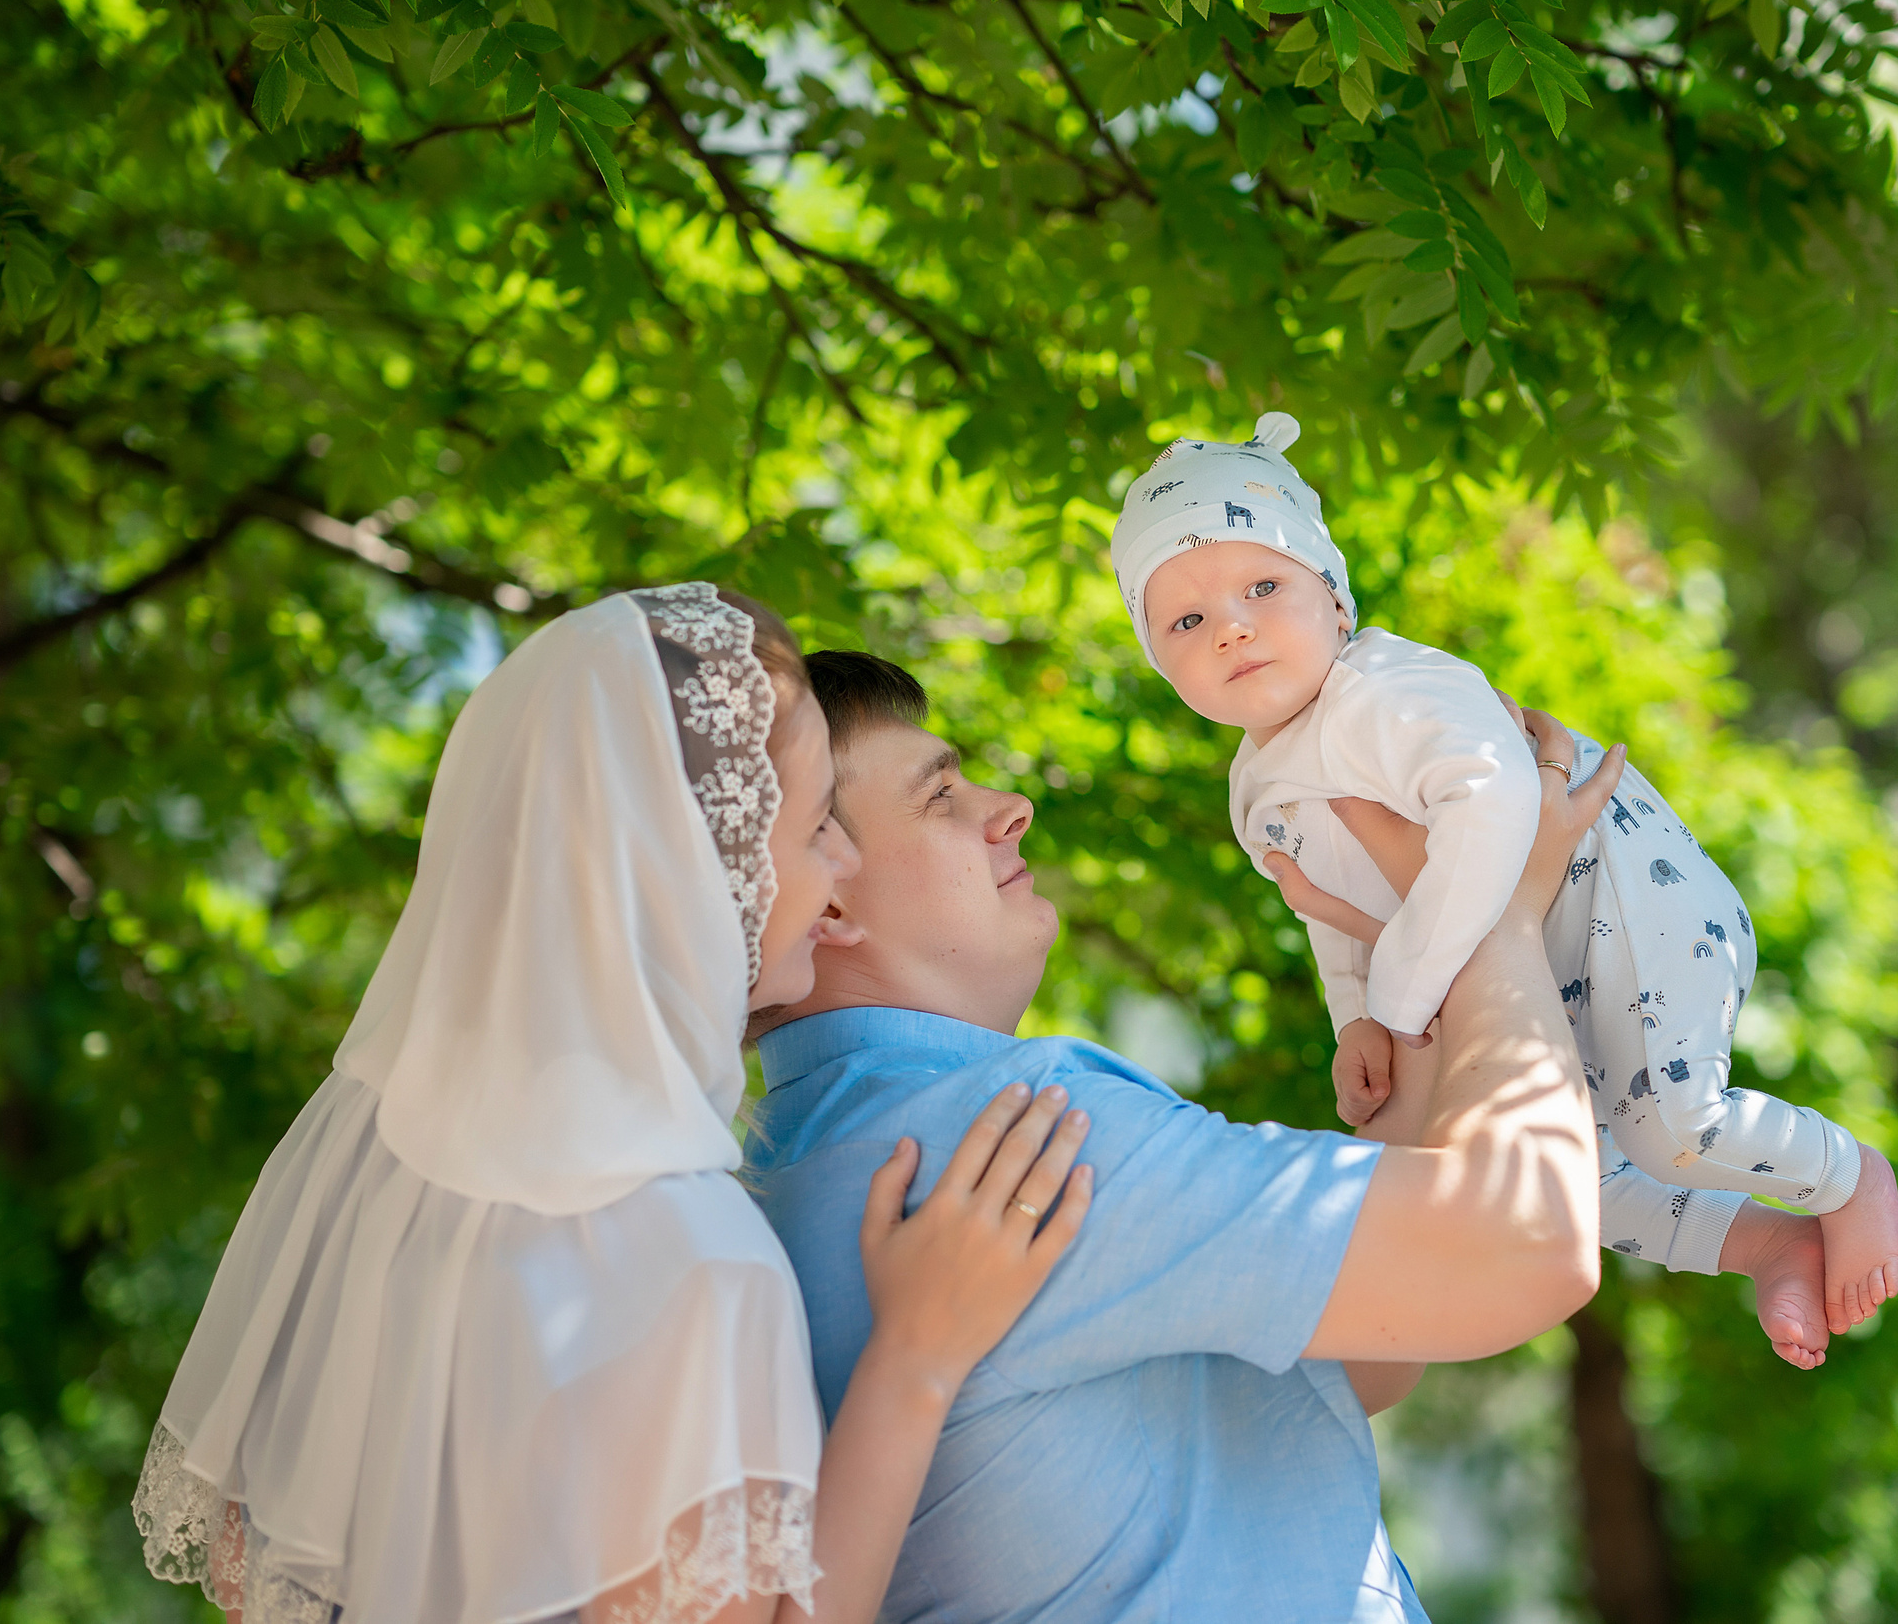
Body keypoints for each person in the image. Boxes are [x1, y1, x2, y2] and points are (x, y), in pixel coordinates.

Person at [745, 648, 1822, 1622]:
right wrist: (1496, 914)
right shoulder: (1018, 1134)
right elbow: (1528, 1244)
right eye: (940, 795)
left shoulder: (793, 1173)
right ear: (826, 896)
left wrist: (1423, 981)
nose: (1011, 806)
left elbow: (1365, 1356)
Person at [131, 583, 1091, 1624]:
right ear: (697, 865)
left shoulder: (373, 1191)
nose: (843, 863)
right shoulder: (688, 1259)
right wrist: (916, 1358)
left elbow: (264, 1582)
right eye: (817, 824)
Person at [1110, 412, 1898, 1344]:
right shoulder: (1258, 782)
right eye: (1187, 620)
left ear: (1335, 600)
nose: (1232, 628)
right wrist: (1357, 1016)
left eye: (1262, 585)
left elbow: (1493, 807)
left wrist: (1403, 997)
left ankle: (1848, 1173)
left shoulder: (1384, 691)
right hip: (1533, 965)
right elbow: (1326, 907)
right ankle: (1768, 1245)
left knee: (1671, 1126)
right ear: (1161, 663)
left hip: (1628, 904)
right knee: (1567, 1178)